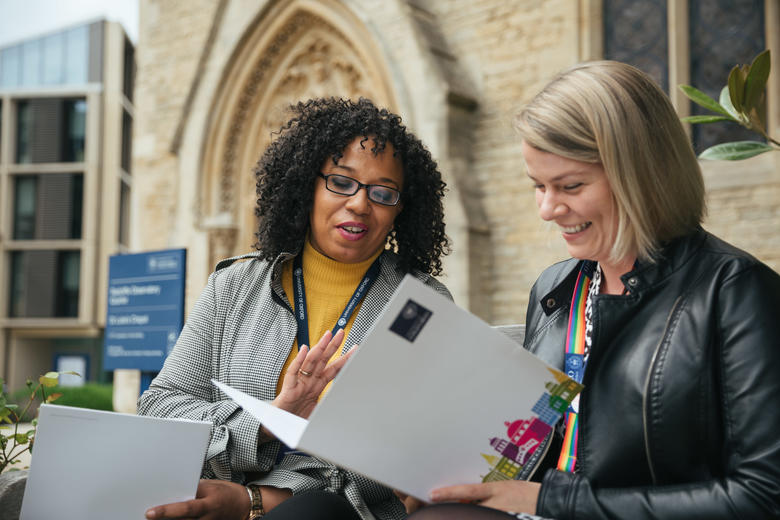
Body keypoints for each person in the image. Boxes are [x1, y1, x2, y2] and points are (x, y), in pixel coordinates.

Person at [406, 61, 780, 519]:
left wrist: (554, 501)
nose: (546, 209)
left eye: (570, 185)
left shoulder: (735, 291)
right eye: (537, 186)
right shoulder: (555, 288)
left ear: (641, 175)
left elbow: (763, 496)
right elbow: (531, 439)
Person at [138, 97, 451, 520]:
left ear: (401, 210)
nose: (360, 204)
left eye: (383, 193)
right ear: (307, 185)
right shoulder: (234, 285)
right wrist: (269, 421)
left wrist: (257, 501)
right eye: (341, 182)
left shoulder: (421, 306)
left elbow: (402, 454)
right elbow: (161, 408)